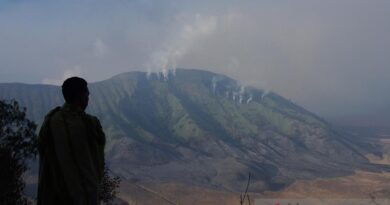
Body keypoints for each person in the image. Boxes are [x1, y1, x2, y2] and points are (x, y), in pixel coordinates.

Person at [37, 77, 106, 205]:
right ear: (80, 96)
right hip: (83, 196)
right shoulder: (89, 123)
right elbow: (96, 157)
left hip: (52, 197)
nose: (88, 98)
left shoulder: (50, 121)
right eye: (86, 94)